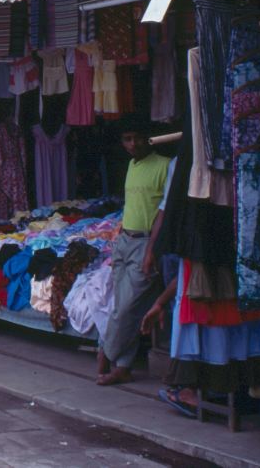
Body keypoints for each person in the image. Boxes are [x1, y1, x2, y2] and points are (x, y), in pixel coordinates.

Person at [96, 113, 171, 386]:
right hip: (125, 241)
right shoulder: (131, 165)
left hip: (145, 244)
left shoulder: (165, 165)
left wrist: (152, 249)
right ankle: (124, 366)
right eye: (127, 139)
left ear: (149, 138)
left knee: (126, 308)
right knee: (122, 305)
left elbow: (164, 212)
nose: (133, 144)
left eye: (138, 138)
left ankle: (106, 350)